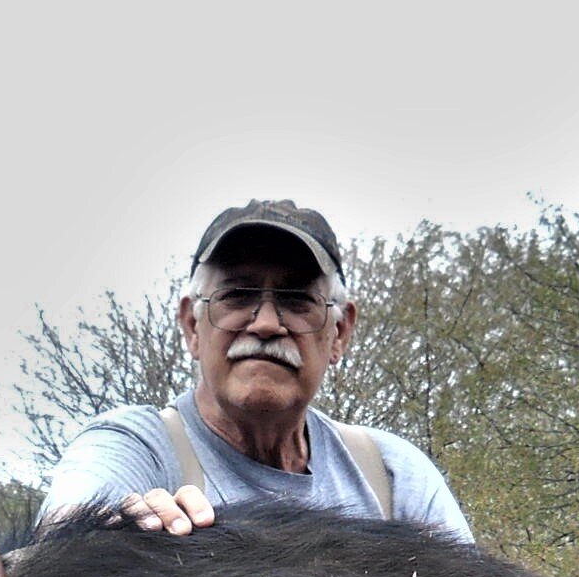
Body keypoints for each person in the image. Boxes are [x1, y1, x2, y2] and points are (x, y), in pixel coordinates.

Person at [36, 200, 472, 542]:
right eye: (237, 297)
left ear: (340, 332)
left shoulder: (393, 476)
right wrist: (116, 534)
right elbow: (61, 546)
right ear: (191, 325)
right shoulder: (134, 450)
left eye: (297, 301)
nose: (265, 323)